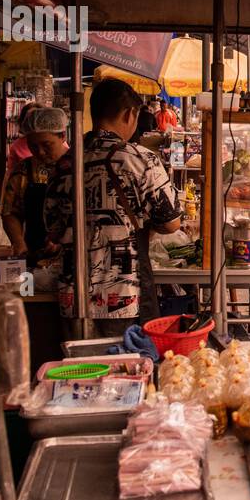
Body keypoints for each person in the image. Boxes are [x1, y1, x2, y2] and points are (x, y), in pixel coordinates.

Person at [44, 79, 182, 337]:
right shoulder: (139, 159)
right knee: (130, 369)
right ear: (130, 114)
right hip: (125, 298)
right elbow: (172, 222)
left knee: (80, 372)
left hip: (73, 298)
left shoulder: (64, 163)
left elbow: (52, 228)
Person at [1, 106, 70, 263]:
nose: (40, 152)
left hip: (73, 257)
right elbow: (10, 211)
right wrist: (18, 242)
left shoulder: (79, 167)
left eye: (47, 145)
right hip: (35, 255)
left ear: (62, 136)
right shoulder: (24, 170)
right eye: (33, 146)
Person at [6, 102, 41, 180]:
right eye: (28, 118)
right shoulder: (16, 147)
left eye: (36, 117)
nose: (33, 122)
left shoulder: (55, 140)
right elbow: (9, 174)